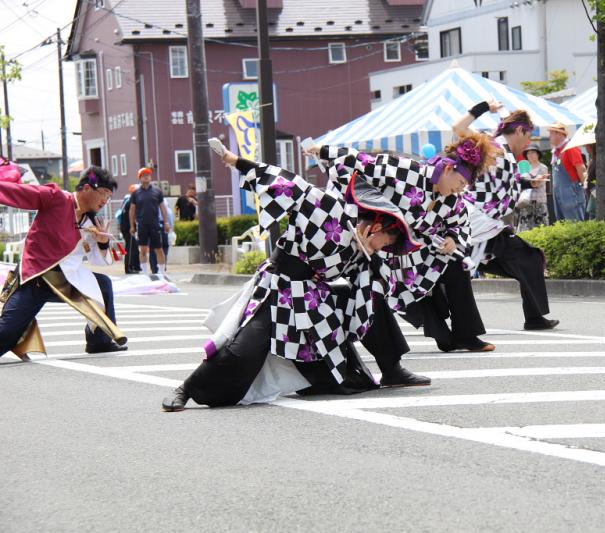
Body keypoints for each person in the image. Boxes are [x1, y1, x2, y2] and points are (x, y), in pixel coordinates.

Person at [162, 143, 430, 412]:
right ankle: (186, 389)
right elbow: (293, 184)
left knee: (370, 301)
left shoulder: (365, 253)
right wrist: (238, 162)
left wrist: (371, 260)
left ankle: (392, 368)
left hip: (314, 300)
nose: (386, 250)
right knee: (242, 350)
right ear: (375, 227)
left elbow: (371, 287)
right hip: (279, 289)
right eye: (387, 243)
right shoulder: (330, 211)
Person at [317, 132, 502, 353]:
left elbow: (461, 224)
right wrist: (323, 151)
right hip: (389, 251)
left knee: (457, 263)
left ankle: (466, 334)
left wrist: (453, 238)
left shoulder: (453, 199)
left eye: (464, 186)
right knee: (437, 331)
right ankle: (440, 335)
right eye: (460, 182)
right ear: (448, 169)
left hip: (423, 252)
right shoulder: (408, 171)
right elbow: (362, 161)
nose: (460, 189)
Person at [0, 166, 127, 359]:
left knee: (103, 284)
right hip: (36, 279)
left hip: (67, 282)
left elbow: (99, 261)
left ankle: (99, 342)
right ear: (86, 188)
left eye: (109, 196)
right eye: (103, 193)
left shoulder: (91, 223)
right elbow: (19, 192)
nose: (105, 201)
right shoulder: (57, 198)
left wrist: (103, 243)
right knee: (6, 335)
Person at [454, 100, 559, 331]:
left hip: (485, 224)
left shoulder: (507, 155)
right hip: (478, 222)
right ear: (520, 130)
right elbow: (458, 128)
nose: (529, 142)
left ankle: (534, 317)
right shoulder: (493, 145)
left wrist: (527, 181)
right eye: (528, 136)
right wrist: (482, 107)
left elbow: (499, 183)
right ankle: (533, 318)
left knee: (527, 259)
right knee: (530, 259)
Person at [130, 167, 170, 275]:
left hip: (155, 224)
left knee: (159, 249)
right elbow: (132, 210)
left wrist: (166, 222)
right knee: (142, 249)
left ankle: (162, 272)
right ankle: (144, 272)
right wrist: (132, 226)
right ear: (140, 178)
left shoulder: (157, 191)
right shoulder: (135, 193)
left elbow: (163, 208)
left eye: (148, 174)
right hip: (142, 224)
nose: (146, 176)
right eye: (143, 175)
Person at [549, 122, 587, 221]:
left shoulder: (570, 148)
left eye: (551, 133)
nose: (550, 136)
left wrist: (585, 186)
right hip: (559, 192)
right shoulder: (557, 151)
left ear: (560, 134)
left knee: (575, 223)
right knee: (562, 224)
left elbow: (581, 168)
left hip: (571, 192)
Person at [514, 143, 550, 231]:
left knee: (541, 228)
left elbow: (538, 183)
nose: (530, 155)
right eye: (528, 153)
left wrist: (528, 181)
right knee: (525, 228)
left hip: (539, 201)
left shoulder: (543, 168)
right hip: (525, 202)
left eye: (533, 152)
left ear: (538, 154)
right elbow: (520, 183)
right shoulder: (523, 167)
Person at [118, 184, 141, 274]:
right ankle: (129, 268)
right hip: (127, 227)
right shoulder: (131, 201)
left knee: (133, 247)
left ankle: (135, 266)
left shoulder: (127, 201)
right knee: (131, 247)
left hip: (125, 227)